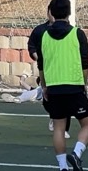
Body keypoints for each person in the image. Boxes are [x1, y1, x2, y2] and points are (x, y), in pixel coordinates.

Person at [34, 0, 88, 171]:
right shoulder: (77, 34)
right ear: (69, 12)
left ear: (51, 13)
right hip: (74, 86)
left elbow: (41, 66)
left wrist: (44, 86)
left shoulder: (44, 36)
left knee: (59, 128)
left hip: (53, 88)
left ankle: (62, 168)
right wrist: (84, 84)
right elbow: (84, 63)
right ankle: (76, 153)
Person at [26, 8, 69, 139]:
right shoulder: (40, 30)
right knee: (48, 99)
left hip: (64, 70)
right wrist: (40, 59)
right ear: (48, 13)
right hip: (47, 71)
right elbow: (32, 46)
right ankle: (53, 115)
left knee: (65, 98)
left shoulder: (70, 31)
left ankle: (63, 128)